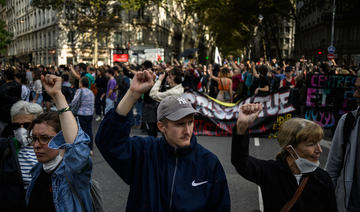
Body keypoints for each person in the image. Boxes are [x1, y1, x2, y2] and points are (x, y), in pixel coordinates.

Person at [95, 70, 230, 211]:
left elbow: (221, 207)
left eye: (190, 122)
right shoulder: (144, 152)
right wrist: (132, 94)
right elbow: (108, 141)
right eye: (180, 124)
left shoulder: (208, 162)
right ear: (161, 126)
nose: (187, 130)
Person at [232, 103, 337, 212]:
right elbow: (240, 161)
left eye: (318, 143)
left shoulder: (323, 179)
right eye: (311, 144)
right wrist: (242, 127)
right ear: (290, 149)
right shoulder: (271, 172)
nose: (319, 150)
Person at [26, 74, 93, 212]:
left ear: (61, 141)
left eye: (45, 138)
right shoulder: (38, 170)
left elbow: (77, 148)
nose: (36, 145)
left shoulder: (73, 175)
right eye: (34, 138)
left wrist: (58, 96)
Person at [326, 71, 360, 212]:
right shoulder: (348, 122)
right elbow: (332, 170)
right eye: (356, 88)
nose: (356, 95)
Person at [10, 100, 43, 189]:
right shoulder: (8, 147)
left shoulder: (47, 148)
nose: (21, 130)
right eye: (16, 126)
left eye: (27, 125)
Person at [69, 77, 95, 149]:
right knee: (89, 131)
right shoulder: (91, 92)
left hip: (81, 114)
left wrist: (69, 106)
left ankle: (82, 147)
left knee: (80, 131)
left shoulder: (80, 91)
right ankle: (90, 147)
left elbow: (74, 102)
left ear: (81, 83)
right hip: (90, 114)